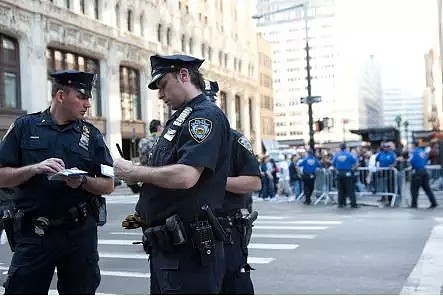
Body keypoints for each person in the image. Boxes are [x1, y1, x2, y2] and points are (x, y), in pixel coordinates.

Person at [114, 54, 231, 294]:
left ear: (184, 75)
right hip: (169, 249)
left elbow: (186, 176)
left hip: (189, 251)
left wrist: (134, 171)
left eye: (163, 85)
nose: (160, 94)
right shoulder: (181, 117)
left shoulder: (203, 116)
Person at [0, 70, 114, 294]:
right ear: (61, 96)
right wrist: (34, 168)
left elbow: (108, 185)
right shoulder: (25, 127)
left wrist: (82, 182)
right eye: (81, 97)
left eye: (88, 98)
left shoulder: (92, 135)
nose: (87, 104)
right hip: (35, 233)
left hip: (79, 235)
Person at [204, 79, 261, 294]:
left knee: (234, 285)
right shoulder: (185, 139)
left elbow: (253, 181)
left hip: (227, 228)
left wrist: (213, 183)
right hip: (194, 232)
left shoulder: (234, 139)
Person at [409, 141, 438, 209]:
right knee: (427, 188)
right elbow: (426, 160)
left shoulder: (414, 152)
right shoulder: (423, 152)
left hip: (417, 171)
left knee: (414, 189)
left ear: (414, 145)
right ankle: (433, 202)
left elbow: (412, 161)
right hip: (424, 171)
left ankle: (414, 204)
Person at [332, 143, 358, 208]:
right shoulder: (349, 155)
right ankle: (353, 204)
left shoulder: (337, 155)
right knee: (350, 189)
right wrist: (353, 170)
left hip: (339, 173)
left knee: (340, 190)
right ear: (346, 147)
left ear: (340, 148)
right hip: (347, 173)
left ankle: (341, 203)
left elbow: (333, 163)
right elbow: (355, 163)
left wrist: (336, 170)